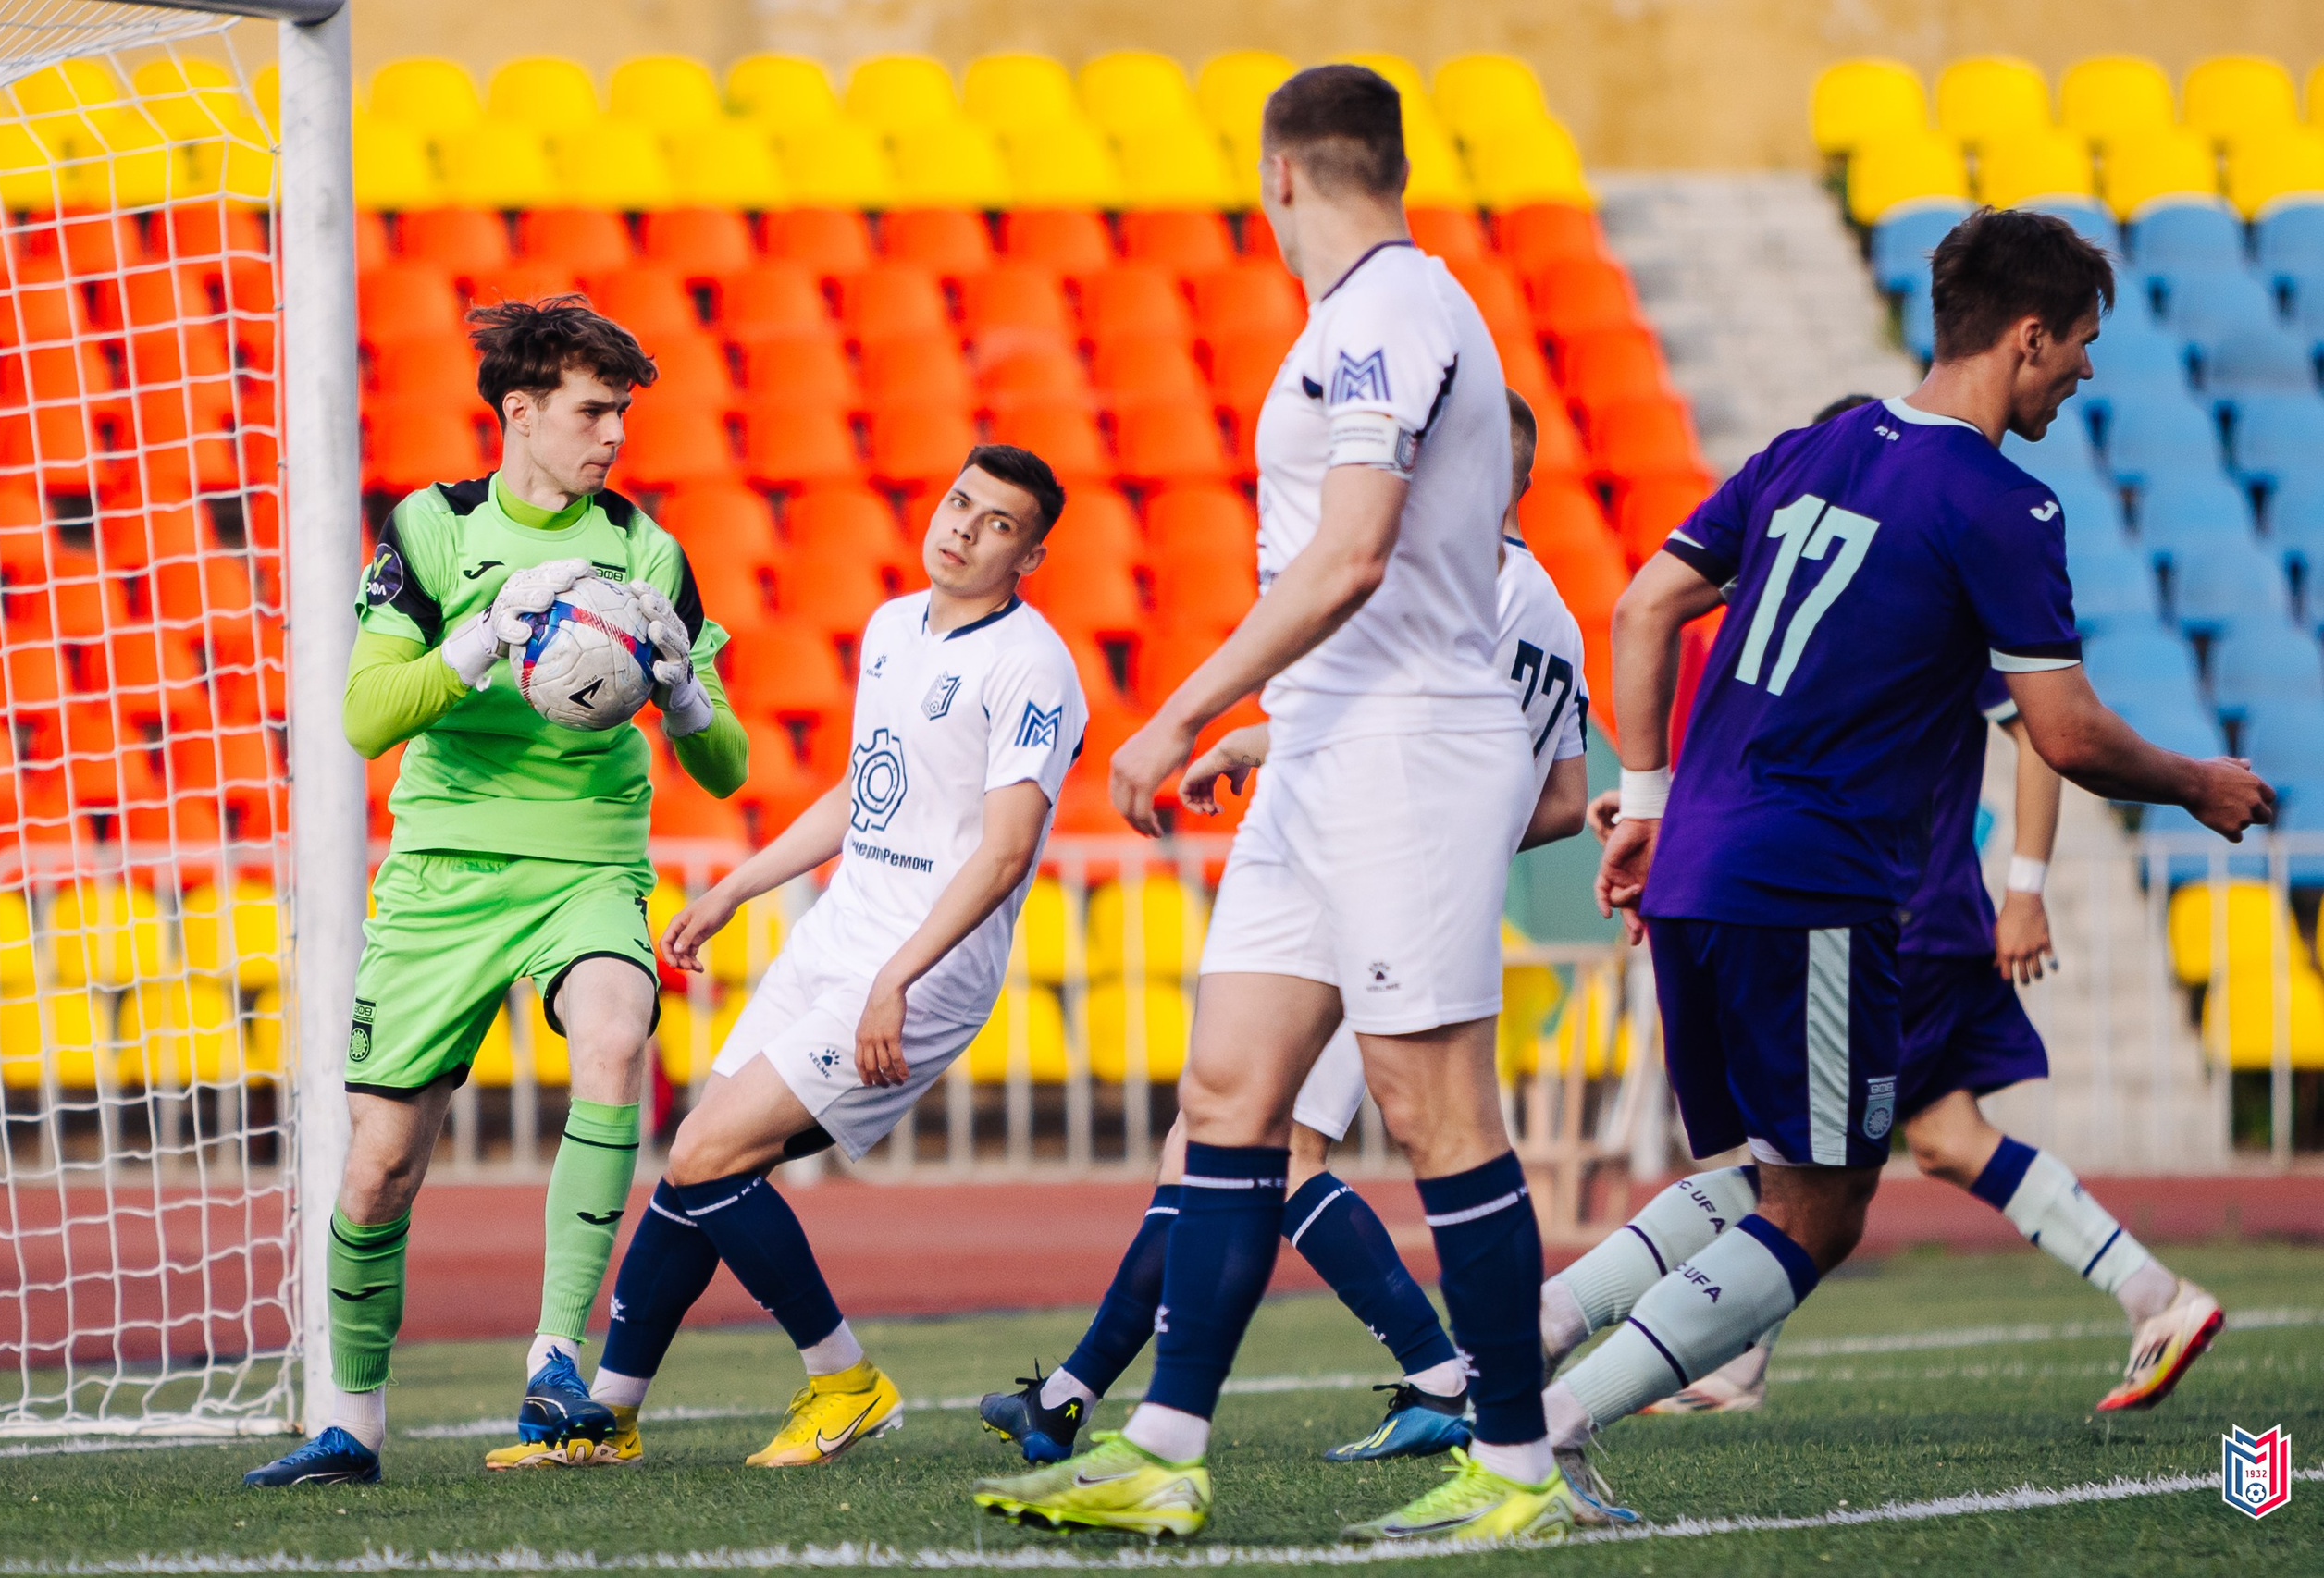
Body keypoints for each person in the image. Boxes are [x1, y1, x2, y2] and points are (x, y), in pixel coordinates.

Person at [1534, 208, 2272, 1504]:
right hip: (1811, 877)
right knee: (1822, 1208)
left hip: (1699, 861)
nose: (2087, 374)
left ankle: (1511, 1360)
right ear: (2029, 336)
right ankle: (1547, 1427)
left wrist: (1643, 797)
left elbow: (1644, 602)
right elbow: (2063, 730)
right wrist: (2193, 780)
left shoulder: (1812, 446)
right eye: (2080, 347)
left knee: (1767, 1171)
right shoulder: (2001, 499)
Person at [971, 67, 1573, 1546]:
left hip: (1406, 755)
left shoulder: (1384, 311)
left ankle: (1518, 1465)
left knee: (1438, 1110)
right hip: (1325, 751)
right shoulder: (1367, 314)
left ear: (1279, 175)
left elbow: (1356, 552)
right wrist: (1269, 733)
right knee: (1229, 1100)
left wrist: (1183, 709)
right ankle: (1165, 1446)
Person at [244, 299, 749, 1486]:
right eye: (591, 409)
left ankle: (555, 1354)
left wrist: (682, 694)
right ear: (519, 413)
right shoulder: (428, 531)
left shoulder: (649, 551)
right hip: (443, 876)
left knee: (618, 1033)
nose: (613, 434)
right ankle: (353, 1424)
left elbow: (726, 768)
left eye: (621, 411)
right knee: (379, 1169)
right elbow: (366, 717)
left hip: (587, 862)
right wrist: (479, 638)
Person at [555, 447, 1084, 1471]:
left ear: (1032, 553)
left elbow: (1008, 847)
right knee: (696, 1162)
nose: (965, 527)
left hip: (922, 968)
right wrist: (735, 887)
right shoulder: (892, 626)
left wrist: (897, 978)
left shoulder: (1032, 665)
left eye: (998, 522)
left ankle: (845, 1379)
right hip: (837, 937)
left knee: (710, 1155)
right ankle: (607, 1414)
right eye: (959, 500)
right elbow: (860, 793)